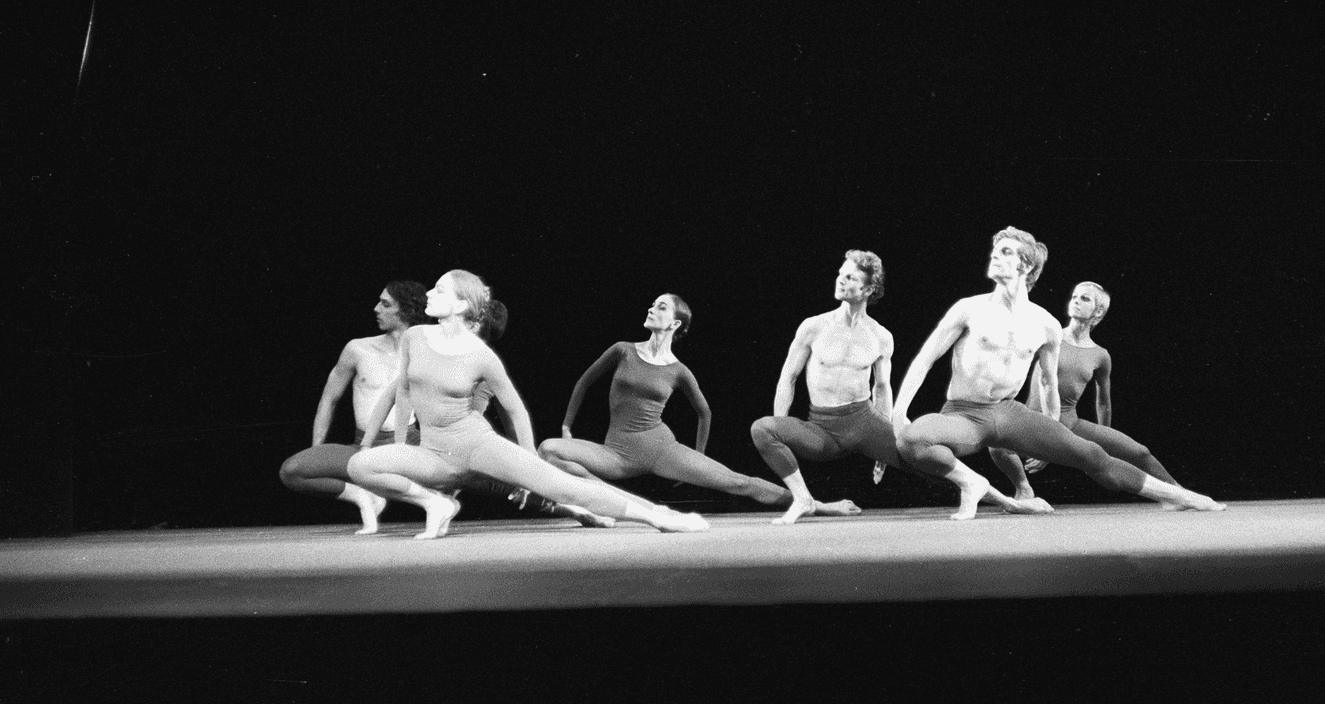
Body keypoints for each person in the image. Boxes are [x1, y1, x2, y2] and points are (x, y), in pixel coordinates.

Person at [892, 227, 1224, 519]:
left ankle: (1182, 496)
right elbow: (924, 359)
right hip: (964, 414)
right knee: (912, 438)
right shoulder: (968, 308)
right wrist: (899, 411)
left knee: (1092, 455)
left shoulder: (1046, 324)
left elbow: (1049, 382)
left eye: (1005, 251)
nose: (995, 256)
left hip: (1009, 413)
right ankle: (979, 486)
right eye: (995, 250)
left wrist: (1050, 438)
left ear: (1025, 265)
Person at [347, 271, 709, 538]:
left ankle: (659, 516)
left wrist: (528, 460)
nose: (429, 291)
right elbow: (404, 391)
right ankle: (435, 504)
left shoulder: (481, 356)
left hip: (475, 446)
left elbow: (515, 409)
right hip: (433, 453)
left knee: (563, 487)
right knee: (361, 466)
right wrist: (398, 449)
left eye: (439, 289)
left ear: (460, 305)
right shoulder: (415, 336)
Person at [539, 294, 819, 515]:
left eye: (661, 307)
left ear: (674, 324)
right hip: (617, 453)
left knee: (737, 482)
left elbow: (704, 412)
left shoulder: (678, 370)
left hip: (662, 449)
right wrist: (566, 425)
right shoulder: (622, 350)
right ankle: (631, 505)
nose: (651, 309)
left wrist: (698, 454)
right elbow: (584, 382)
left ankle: (816, 504)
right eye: (652, 305)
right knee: (549, 450)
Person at [750, 250, 924, 525]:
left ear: (869, 288)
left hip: (864, 422)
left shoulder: (880, 336)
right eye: (840, 274)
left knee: (927, 459)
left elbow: (882, 388)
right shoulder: (813, 327)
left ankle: (1001, 494)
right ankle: (803, 499)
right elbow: (788, 378)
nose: (840, 280)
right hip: (822, 429)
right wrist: (781, 425)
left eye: (850, 277)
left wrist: (889, 438)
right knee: (763, 428)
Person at [990, 282, 1182, 500]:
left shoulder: (1100, 355)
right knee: (997, 446)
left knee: (1140, 452)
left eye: (1084, 299)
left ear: (1098, 311)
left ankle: (1180, 493)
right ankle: (1023, 489)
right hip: (1036, 422)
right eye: (1074, 297)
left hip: (1071, 424)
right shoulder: (1048, 337)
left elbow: (1103, 401)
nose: (1076, 301)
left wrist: (1102, 440)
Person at [278, 281, 429, 532]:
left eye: (385, 304)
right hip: (364, 448)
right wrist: (318, 449)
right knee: (292, 471)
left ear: (407, 310)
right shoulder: (358, 349)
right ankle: (364, 497)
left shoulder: (428, 351)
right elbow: (329, 399)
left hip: (410, 445)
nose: (376, 308)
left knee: (474, 468)